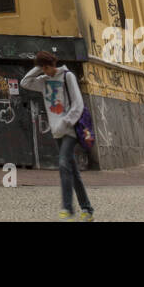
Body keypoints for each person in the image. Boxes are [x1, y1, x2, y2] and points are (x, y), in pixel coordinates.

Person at [21, 50, 95, 221]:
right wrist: (38, 69)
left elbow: (78, 104)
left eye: (46, 67)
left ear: (52, 65)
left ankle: (67, 208)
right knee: (72, 170)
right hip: (56, 132)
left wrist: (65, 122)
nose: (45, 71)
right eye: (42, 69)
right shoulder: (43, 81)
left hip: (70, 130)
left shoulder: (67, 76)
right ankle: (87, 209)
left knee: (63, 164)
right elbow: (25, 82)